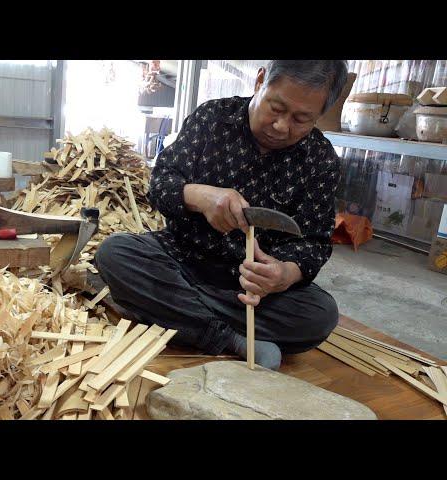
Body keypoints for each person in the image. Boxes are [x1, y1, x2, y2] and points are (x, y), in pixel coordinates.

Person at [95, 60, 348, 370]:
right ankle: (229, 338)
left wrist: (284, 275)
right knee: (115, 253)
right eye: (276, 108)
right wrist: (200, 196)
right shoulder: (213, 119)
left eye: (301, 119)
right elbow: (160, 185)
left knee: (320, 315)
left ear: (320, 113)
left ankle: (165, 309)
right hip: (181, 260)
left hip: (249, 292)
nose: (281, 126)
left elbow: (315, 244)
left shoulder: (320, 159)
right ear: (260, 81)